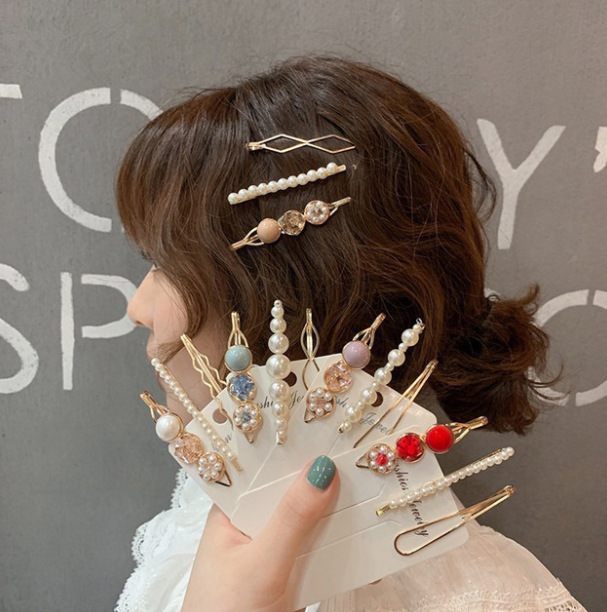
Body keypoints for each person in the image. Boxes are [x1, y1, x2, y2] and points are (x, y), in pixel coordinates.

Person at [115, 56, 585, 611]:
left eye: (165, 264)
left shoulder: (484, 599)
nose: (137, 308)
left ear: (287, 301)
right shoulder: (201, 520)